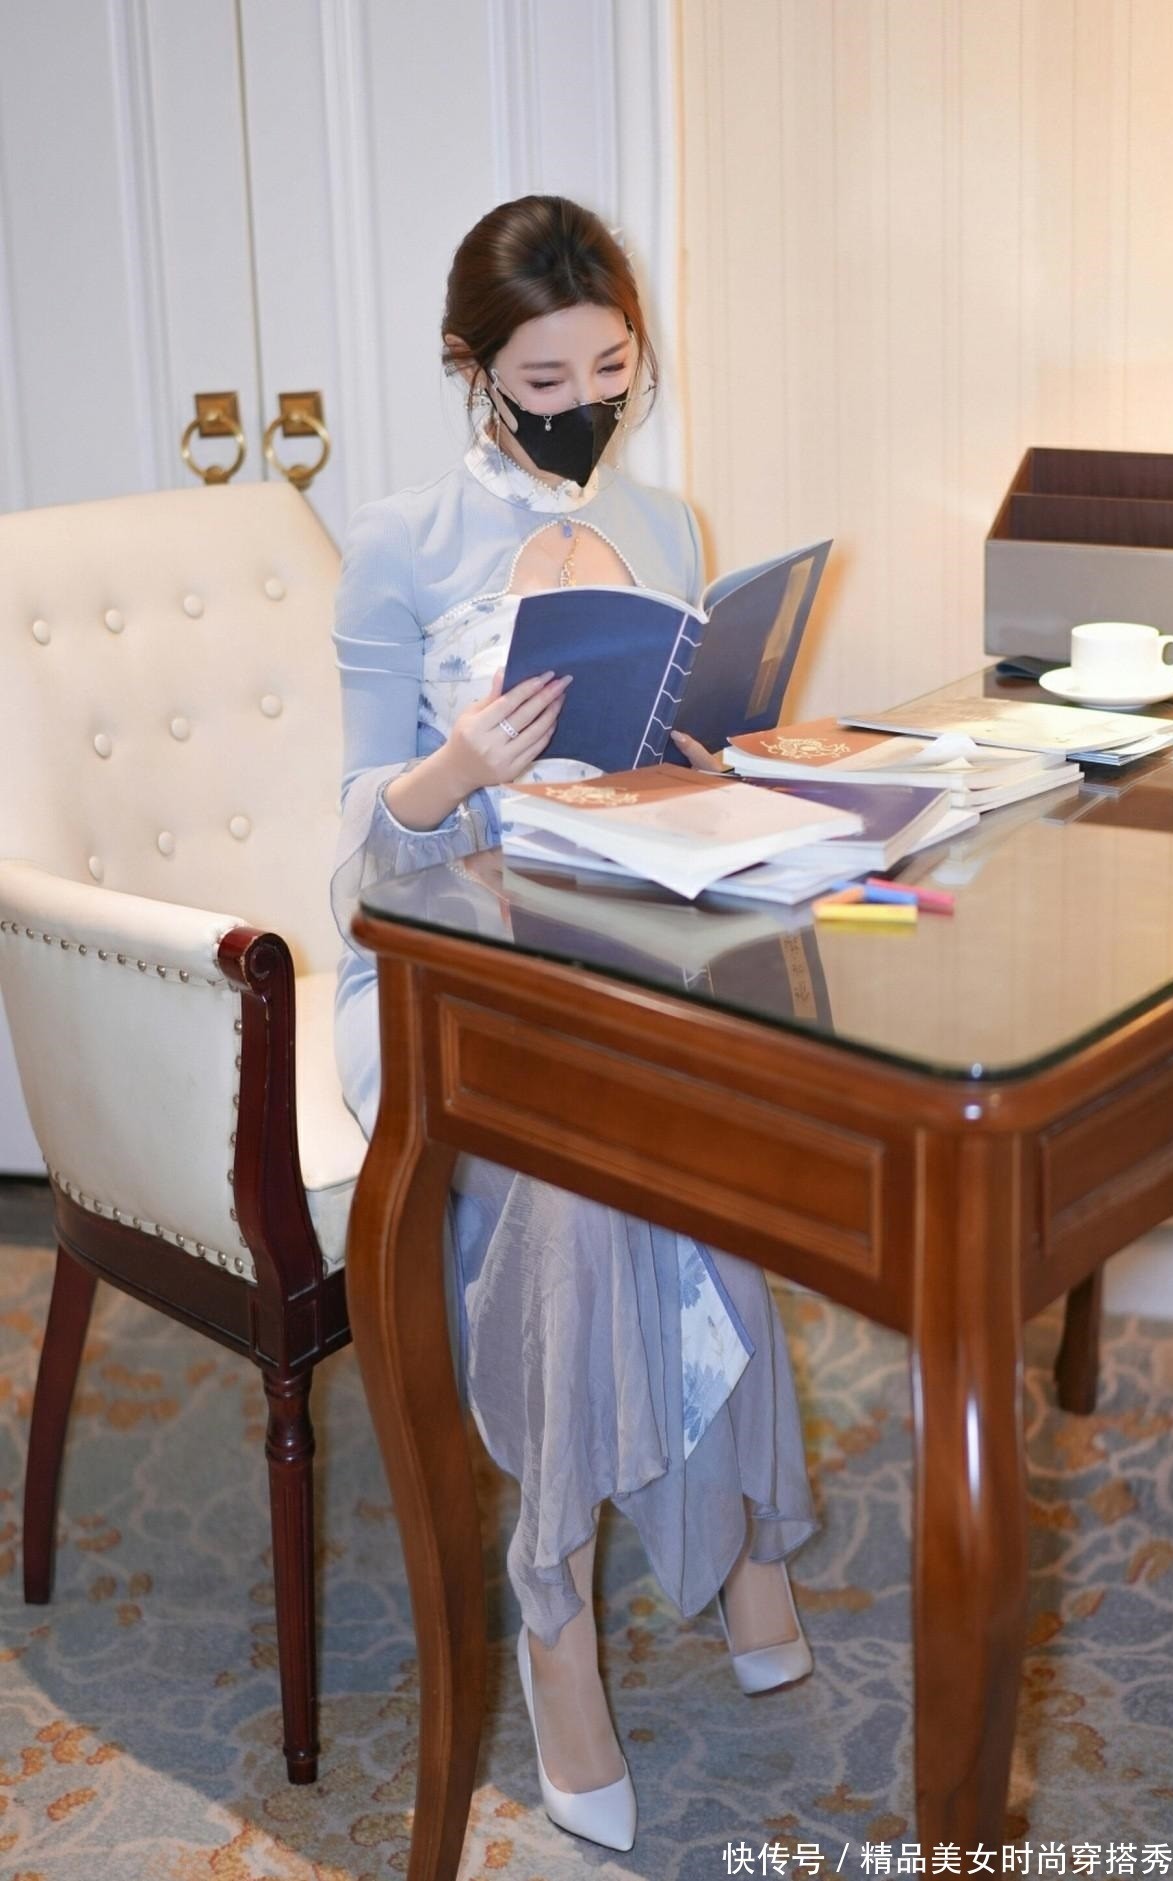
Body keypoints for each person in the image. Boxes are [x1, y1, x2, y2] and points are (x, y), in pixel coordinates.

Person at [330, 194, 817, 1854]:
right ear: (472, 369)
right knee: (596, 1163)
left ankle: (733, 1526)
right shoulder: (398, 545)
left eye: (615, 370)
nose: (586, 407)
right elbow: (353, 853)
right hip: (439, 963)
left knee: (714, 1121)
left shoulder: (666, 524)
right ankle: (557, 1604)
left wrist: (708, 757)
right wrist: (455, 768)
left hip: (610, 938)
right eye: (546, 381)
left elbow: (670, 769)